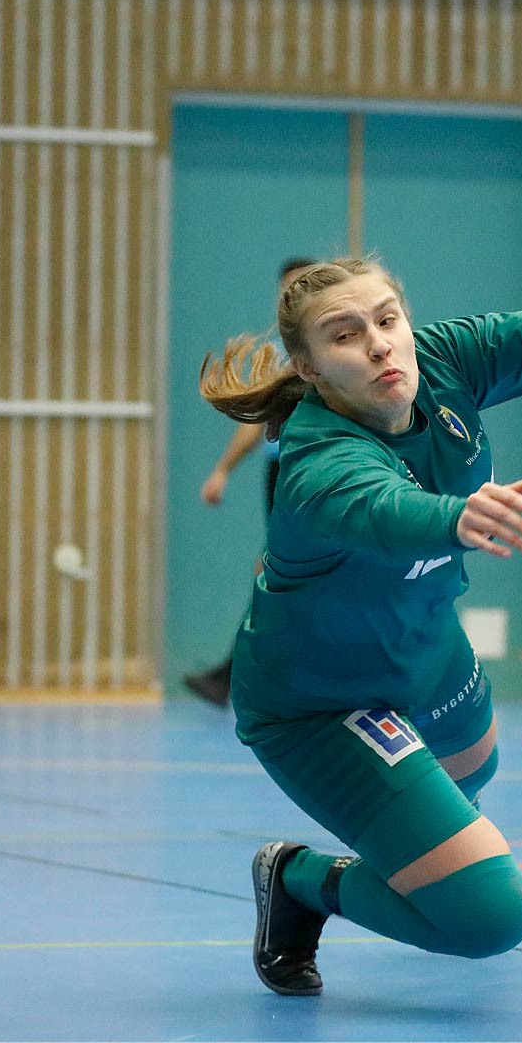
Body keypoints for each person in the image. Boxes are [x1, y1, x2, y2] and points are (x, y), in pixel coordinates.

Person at [200, 200, 522, 995]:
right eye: (346, 335)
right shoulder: (316, 461)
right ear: (307, 367)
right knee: (490, 917)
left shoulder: (441, 359)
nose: (378, 345)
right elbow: (385, 511)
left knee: (471, 774)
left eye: (387, 319)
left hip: (428, 652)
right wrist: (459, 515)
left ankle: (399, 839)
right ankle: (300, 879)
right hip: (316, 702)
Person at [183, 256, 317, 707]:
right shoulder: (284, 351)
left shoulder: (333, 345)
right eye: (285, 290)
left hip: (315, 468)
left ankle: (238, 677)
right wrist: (222, 469)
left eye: (299, 286)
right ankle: (240, 677)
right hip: (281, 470)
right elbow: (258, 421)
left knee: (286, 571)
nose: (290, 297)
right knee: (278, 570)